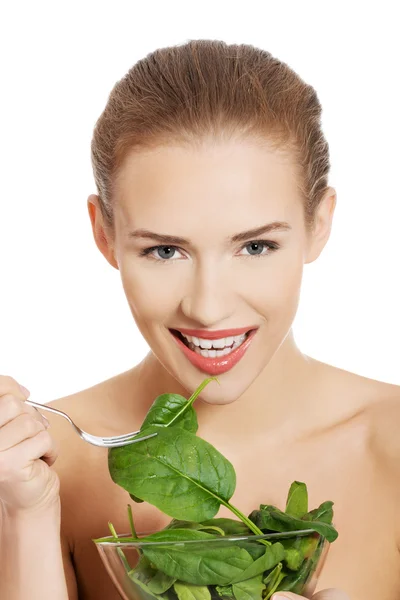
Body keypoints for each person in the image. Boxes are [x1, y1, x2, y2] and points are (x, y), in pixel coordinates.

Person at [0, 39, 398, 600]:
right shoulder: (43, 465)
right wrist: (27, 517)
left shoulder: (393, 444)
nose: (208, 308)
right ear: (104, 234)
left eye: (256, 247)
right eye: (165, 251)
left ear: (319, 224)